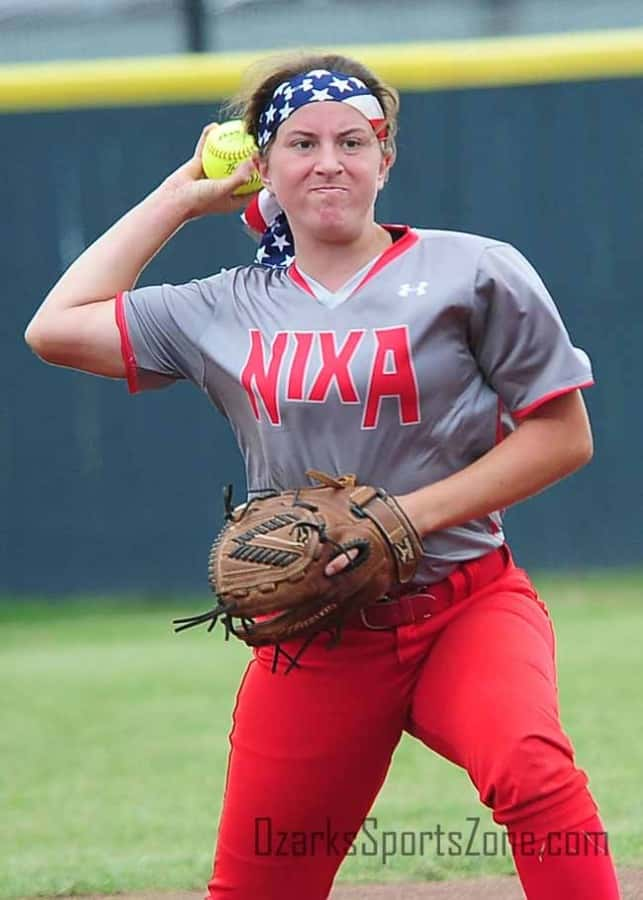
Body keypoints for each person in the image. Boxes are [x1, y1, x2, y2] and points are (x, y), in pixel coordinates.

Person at [25, 52, 621, 900]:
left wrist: (400, 518)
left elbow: (561, 437)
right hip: (314, 633)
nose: (329, 161)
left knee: (531, 769)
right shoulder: (223, 305)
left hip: (464, 603)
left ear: (386, 157)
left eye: (353, 139)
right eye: (300, 143)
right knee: (259, 882)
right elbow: (54, 328)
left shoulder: (474, 270)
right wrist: (184, 195)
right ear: (261, 165)